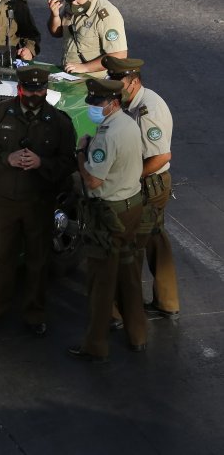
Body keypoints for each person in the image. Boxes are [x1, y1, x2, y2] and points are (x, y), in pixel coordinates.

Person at [0, 66, 76, 336]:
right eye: (30, 90)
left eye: (40, 91)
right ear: (20, 89)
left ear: (46, 90)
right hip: (4, 201)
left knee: (38, 259)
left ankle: (34, 313)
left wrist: (42, 163)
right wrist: (7, 159)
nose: (34, 95)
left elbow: (68, 163)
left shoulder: (59, 121)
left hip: (39, 201)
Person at [68, 79, 146, 362]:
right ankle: (138, 335)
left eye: (98, 104)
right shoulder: (127, 124)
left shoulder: (106, 136)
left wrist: (80, 152)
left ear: (113, 102)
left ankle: (95, 344)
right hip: (132, 206)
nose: (93, 108)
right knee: (129, 275)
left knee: (101, 282)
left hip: (109, 213)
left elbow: (93, 180)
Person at [103, 56, 180, 319]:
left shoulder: (148, 110)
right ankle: (167, 302)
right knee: (156, 239)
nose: (114, 87)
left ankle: (127, 310)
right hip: (150, 183)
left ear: (133, 82)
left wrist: (130, 179)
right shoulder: (132, 103)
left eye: (118, 82)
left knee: (131, 247)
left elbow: (161, 156)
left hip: (148, 185)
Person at [46, 0, 127, 76]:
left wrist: (85, 67)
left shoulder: (106, 15)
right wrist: (55, 15)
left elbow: (119, 55)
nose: (74, 3)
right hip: (70, 75)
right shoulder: (72, 3)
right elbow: (57, 33)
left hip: (96, 81)